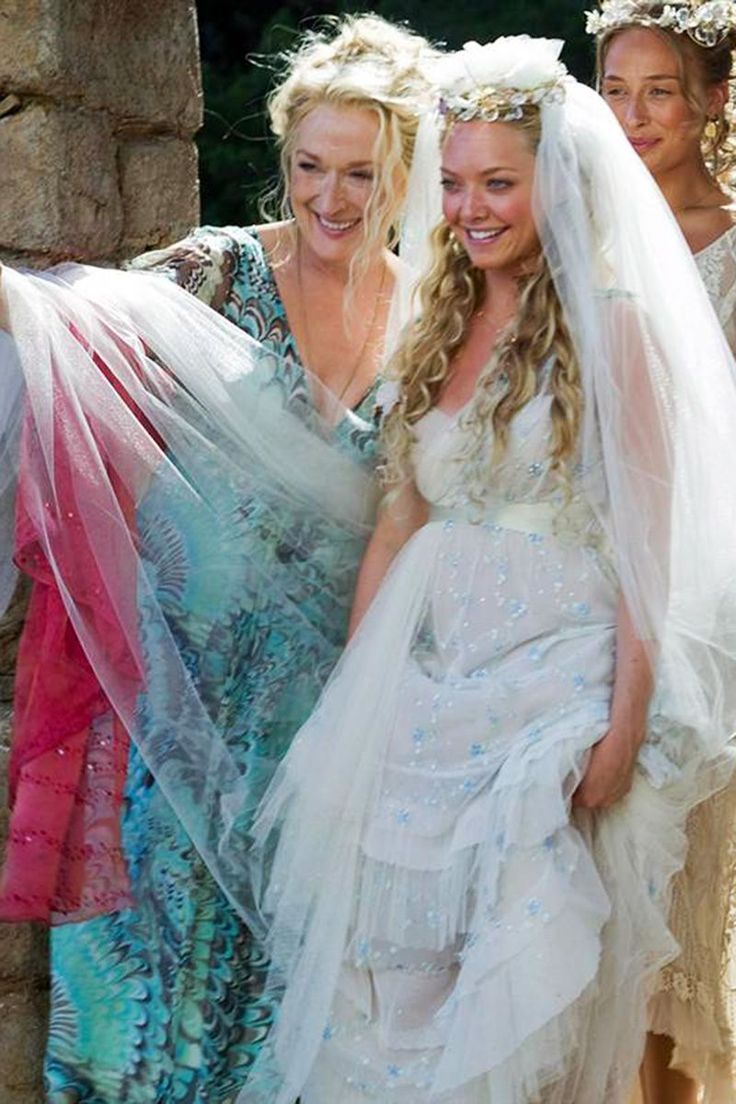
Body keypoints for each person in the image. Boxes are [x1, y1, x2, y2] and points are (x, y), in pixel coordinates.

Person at [239, 35, 736, 1104]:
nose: (469, 208)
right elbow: (395, 525)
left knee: (511, 966)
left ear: (552, 183)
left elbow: (650, 550)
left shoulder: (618, 332)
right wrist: (353, 705)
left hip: (553, 682)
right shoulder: (435, 317)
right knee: (390, 965)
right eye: (454, 183)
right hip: (425, 678)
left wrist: (620, 723)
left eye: (498, 183)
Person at [0, 14, 433, 1103]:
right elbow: (63, 343)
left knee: (293, 1026)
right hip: (174, 718)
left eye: (360, 174)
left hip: (329, 731)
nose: (329, 198)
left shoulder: (435, 317)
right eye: (308, 168)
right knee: (142, 1025)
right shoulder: (207, 275)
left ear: (408, 176)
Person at [589, 3, 736, 1099]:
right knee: (602, 875)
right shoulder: (578, 232)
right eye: (616, 91)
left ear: (712, 102)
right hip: (590, 581)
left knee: (682, 873)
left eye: (659, 93)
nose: (634, 117)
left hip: (713, 588)